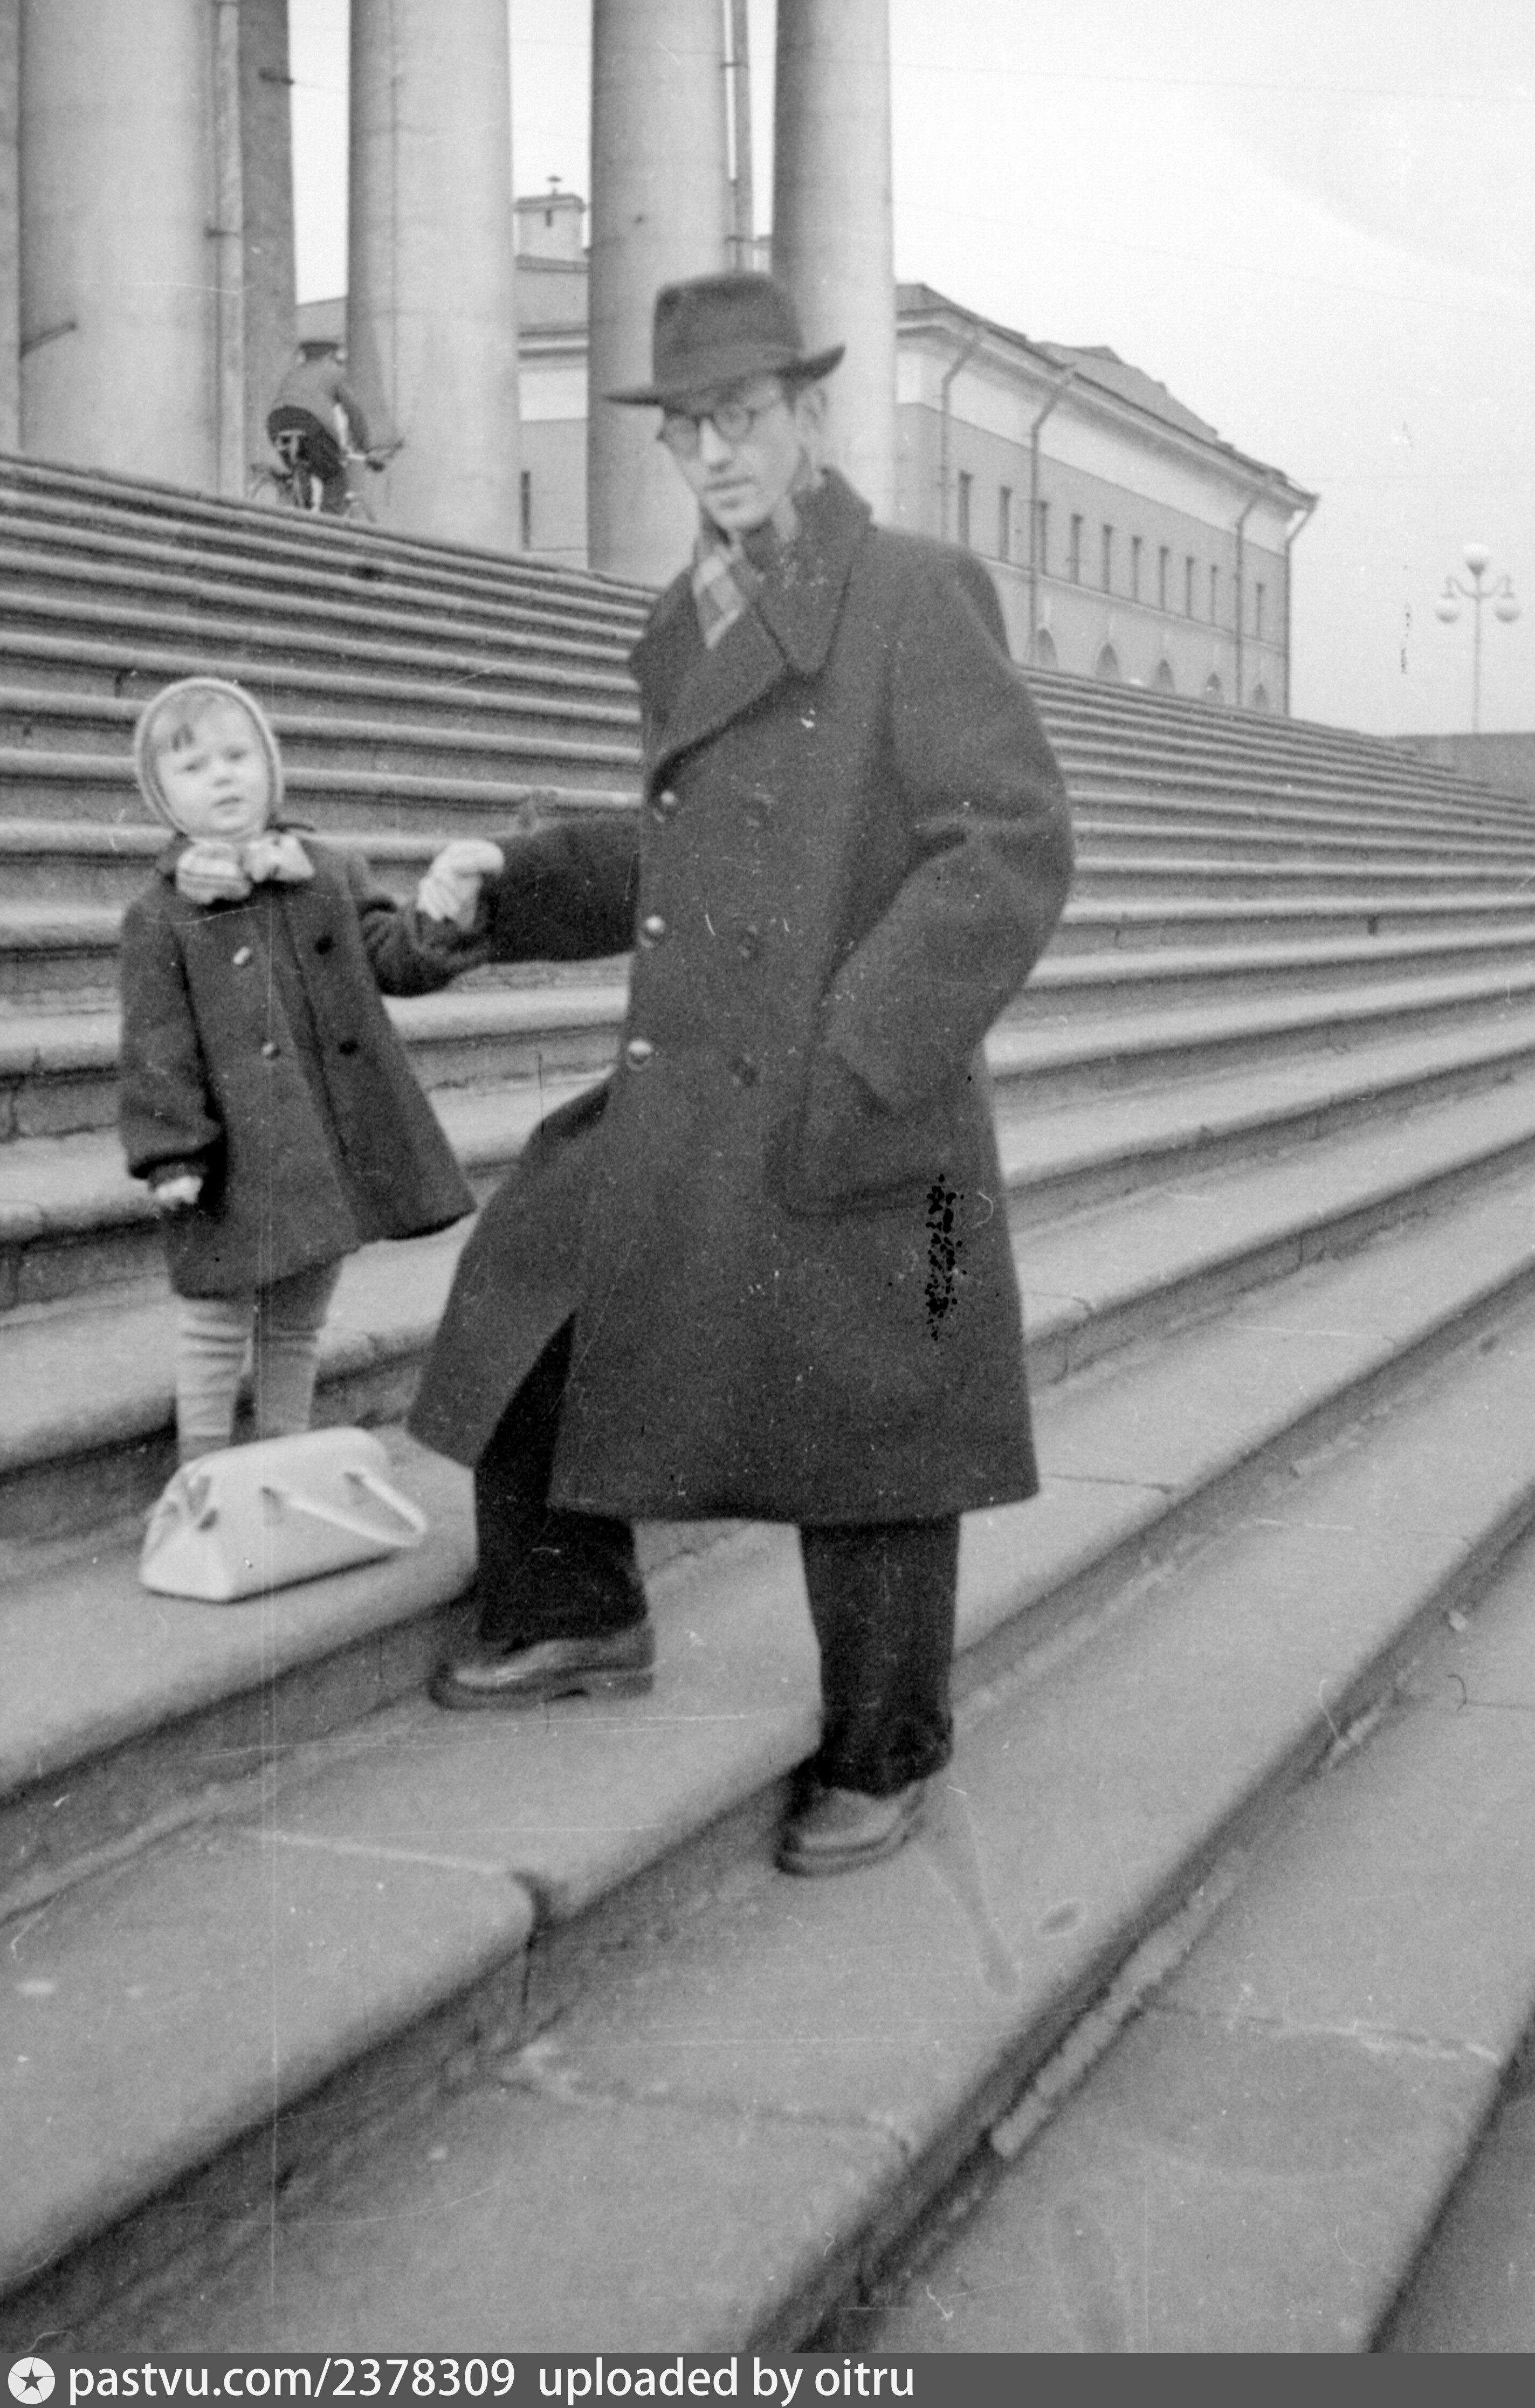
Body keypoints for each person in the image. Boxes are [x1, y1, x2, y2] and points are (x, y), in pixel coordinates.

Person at [409, 272, 1074, 1877]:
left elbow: (1007, 844)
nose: (714, 451)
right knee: (533, 1265)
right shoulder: (685, 619)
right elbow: (693, 856)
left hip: (869, 1092)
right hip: (709, 1075)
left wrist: (861, 1052)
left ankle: (884, 1749)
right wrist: (516, 883)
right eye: (688, 426)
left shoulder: (909, 590)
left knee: (879, 1410)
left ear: (807, 417)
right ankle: (576, 1609)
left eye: (743, 416)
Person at [119, 676, 480, 1463]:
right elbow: (156, 1043)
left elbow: (395, 957)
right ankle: (203, 1474)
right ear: (162, 796)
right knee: (216, 1316)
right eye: (192, 767)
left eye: (237, 756)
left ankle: (284, 1458)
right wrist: (172, 1151)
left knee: (297, 1316)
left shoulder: (327, 871)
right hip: (229, 1155)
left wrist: (442, 918)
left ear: (271, 768)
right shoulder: (159, 913)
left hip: (322, 1141)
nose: (221, 776)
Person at [266, 341, 378, 515]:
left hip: (277, 422)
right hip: (309, 423)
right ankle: (327, 526)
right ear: (329, 355)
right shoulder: (334, 372)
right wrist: (367, 449)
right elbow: (354, 412)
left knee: (301, 468)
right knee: (335, 477)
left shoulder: (294, 373)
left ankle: (297, 510)